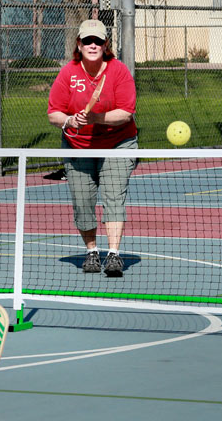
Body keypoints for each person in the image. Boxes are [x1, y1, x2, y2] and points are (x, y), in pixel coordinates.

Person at [47, 19, 137, 277]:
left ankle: (114, 255)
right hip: (78, 147)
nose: (93, 45)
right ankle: (91, 252)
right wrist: (69, 120)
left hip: (117, 144)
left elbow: (126, 113)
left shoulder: (118, 71)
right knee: (83, 201)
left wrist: (96, 118)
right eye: (88, 40)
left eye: (98, 40)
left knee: (113, 196)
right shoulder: (69, 73)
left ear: (105, 44)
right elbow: (53, 113)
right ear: (79, 43)